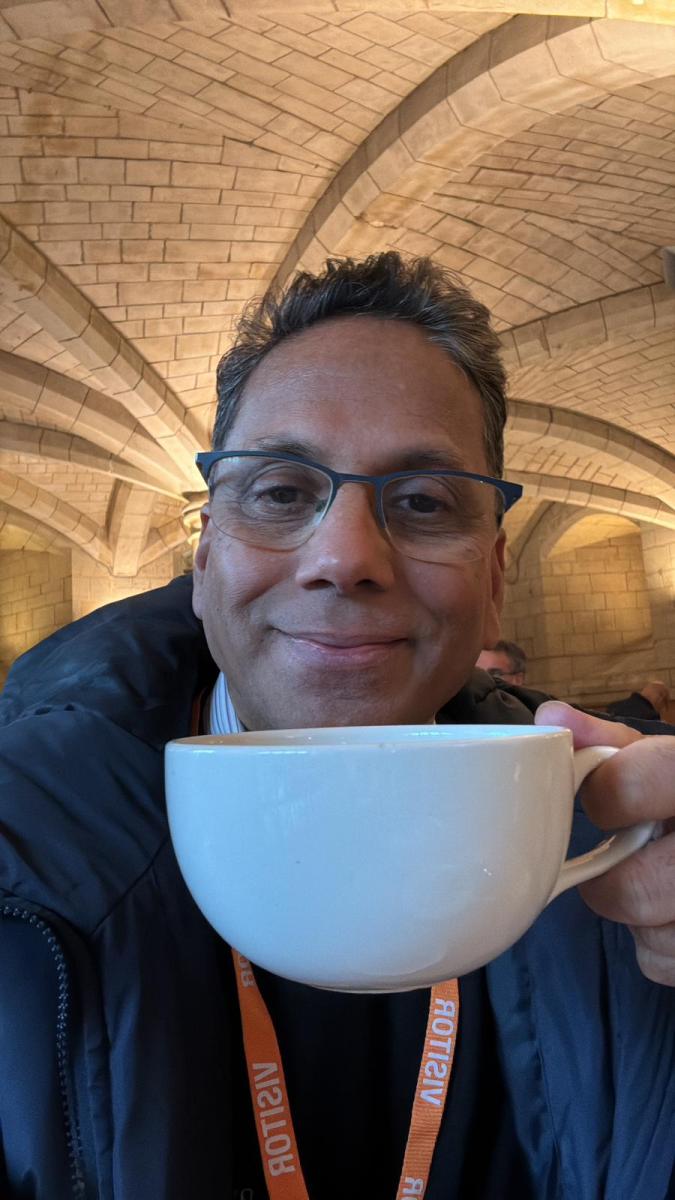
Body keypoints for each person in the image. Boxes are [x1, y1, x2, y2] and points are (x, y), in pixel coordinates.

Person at [0, 252, 674, 1200]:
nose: (345, 556)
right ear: (203, 562)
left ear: (492, 581)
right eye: (280, 492)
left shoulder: (608, 841)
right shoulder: (19, 837)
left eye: (424, 502)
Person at [605, 679, 673, 722]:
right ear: (660, 699)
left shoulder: (613, 706)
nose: (660, 710)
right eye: (663, 706)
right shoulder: (651, 716)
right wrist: (662, 727)